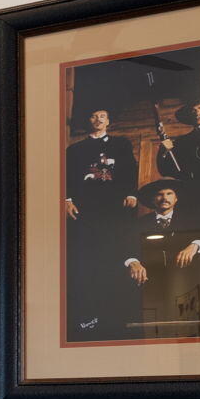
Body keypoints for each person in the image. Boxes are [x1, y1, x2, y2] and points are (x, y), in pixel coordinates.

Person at [63, 108, 141, 341]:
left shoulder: (121, 144)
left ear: (109, 121)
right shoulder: (75, 149)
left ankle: (113, 317)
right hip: (85, 210)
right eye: (94, 116)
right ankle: (88, 320)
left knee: (114, 254)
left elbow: (129, 169)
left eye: (103, 116)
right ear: (89, 121)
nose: (98, 120)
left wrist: (131, 193)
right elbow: (67, 175)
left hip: (114, 208)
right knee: (86, 258)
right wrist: (67, 199)